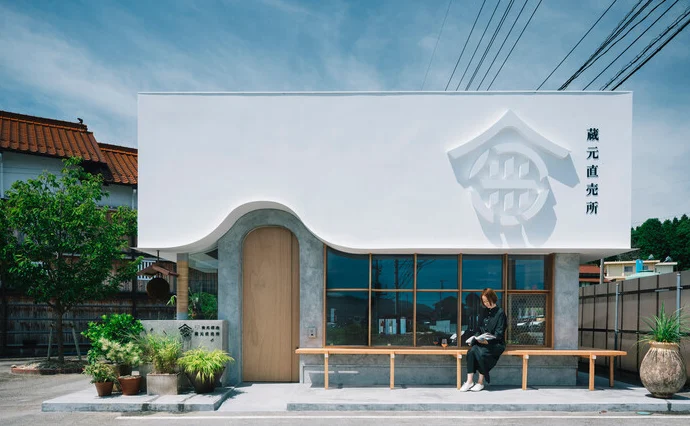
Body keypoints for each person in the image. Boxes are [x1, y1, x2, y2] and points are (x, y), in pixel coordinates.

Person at [459, 288, 506, 392]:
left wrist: (487, 341)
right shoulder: (484, 311)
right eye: (484, 302)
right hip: (482, 342)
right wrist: (475, 337)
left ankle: (480, 382)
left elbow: (499, 333)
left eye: (487, 301)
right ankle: (469, 381)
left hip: (496, 344)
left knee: (481, 353)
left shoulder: (500, 313)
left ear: (492, 299)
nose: (486, 304)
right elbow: (479, 328)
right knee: (471, 351)